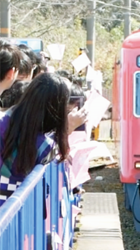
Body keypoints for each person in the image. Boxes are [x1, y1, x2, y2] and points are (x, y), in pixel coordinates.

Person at [0, 73, 88, 204]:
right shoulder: (45, 146)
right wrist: (67, 129)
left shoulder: (5, 119)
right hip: (20, 212)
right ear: (57, 108)